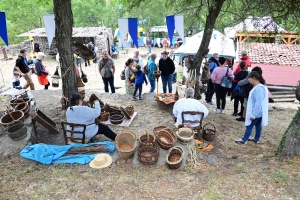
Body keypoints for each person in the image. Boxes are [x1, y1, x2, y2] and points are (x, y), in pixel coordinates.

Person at [235, 71, 268, 144]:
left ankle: (244, 140)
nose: (248, 80)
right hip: (259, 112)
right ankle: (256, 138)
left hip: (256, 112)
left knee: (249, 125)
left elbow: (258, 103)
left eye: (249, 79)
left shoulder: (259, 89)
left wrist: (254, 115)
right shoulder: (258, 87)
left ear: (254, 78)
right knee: (258, 125)